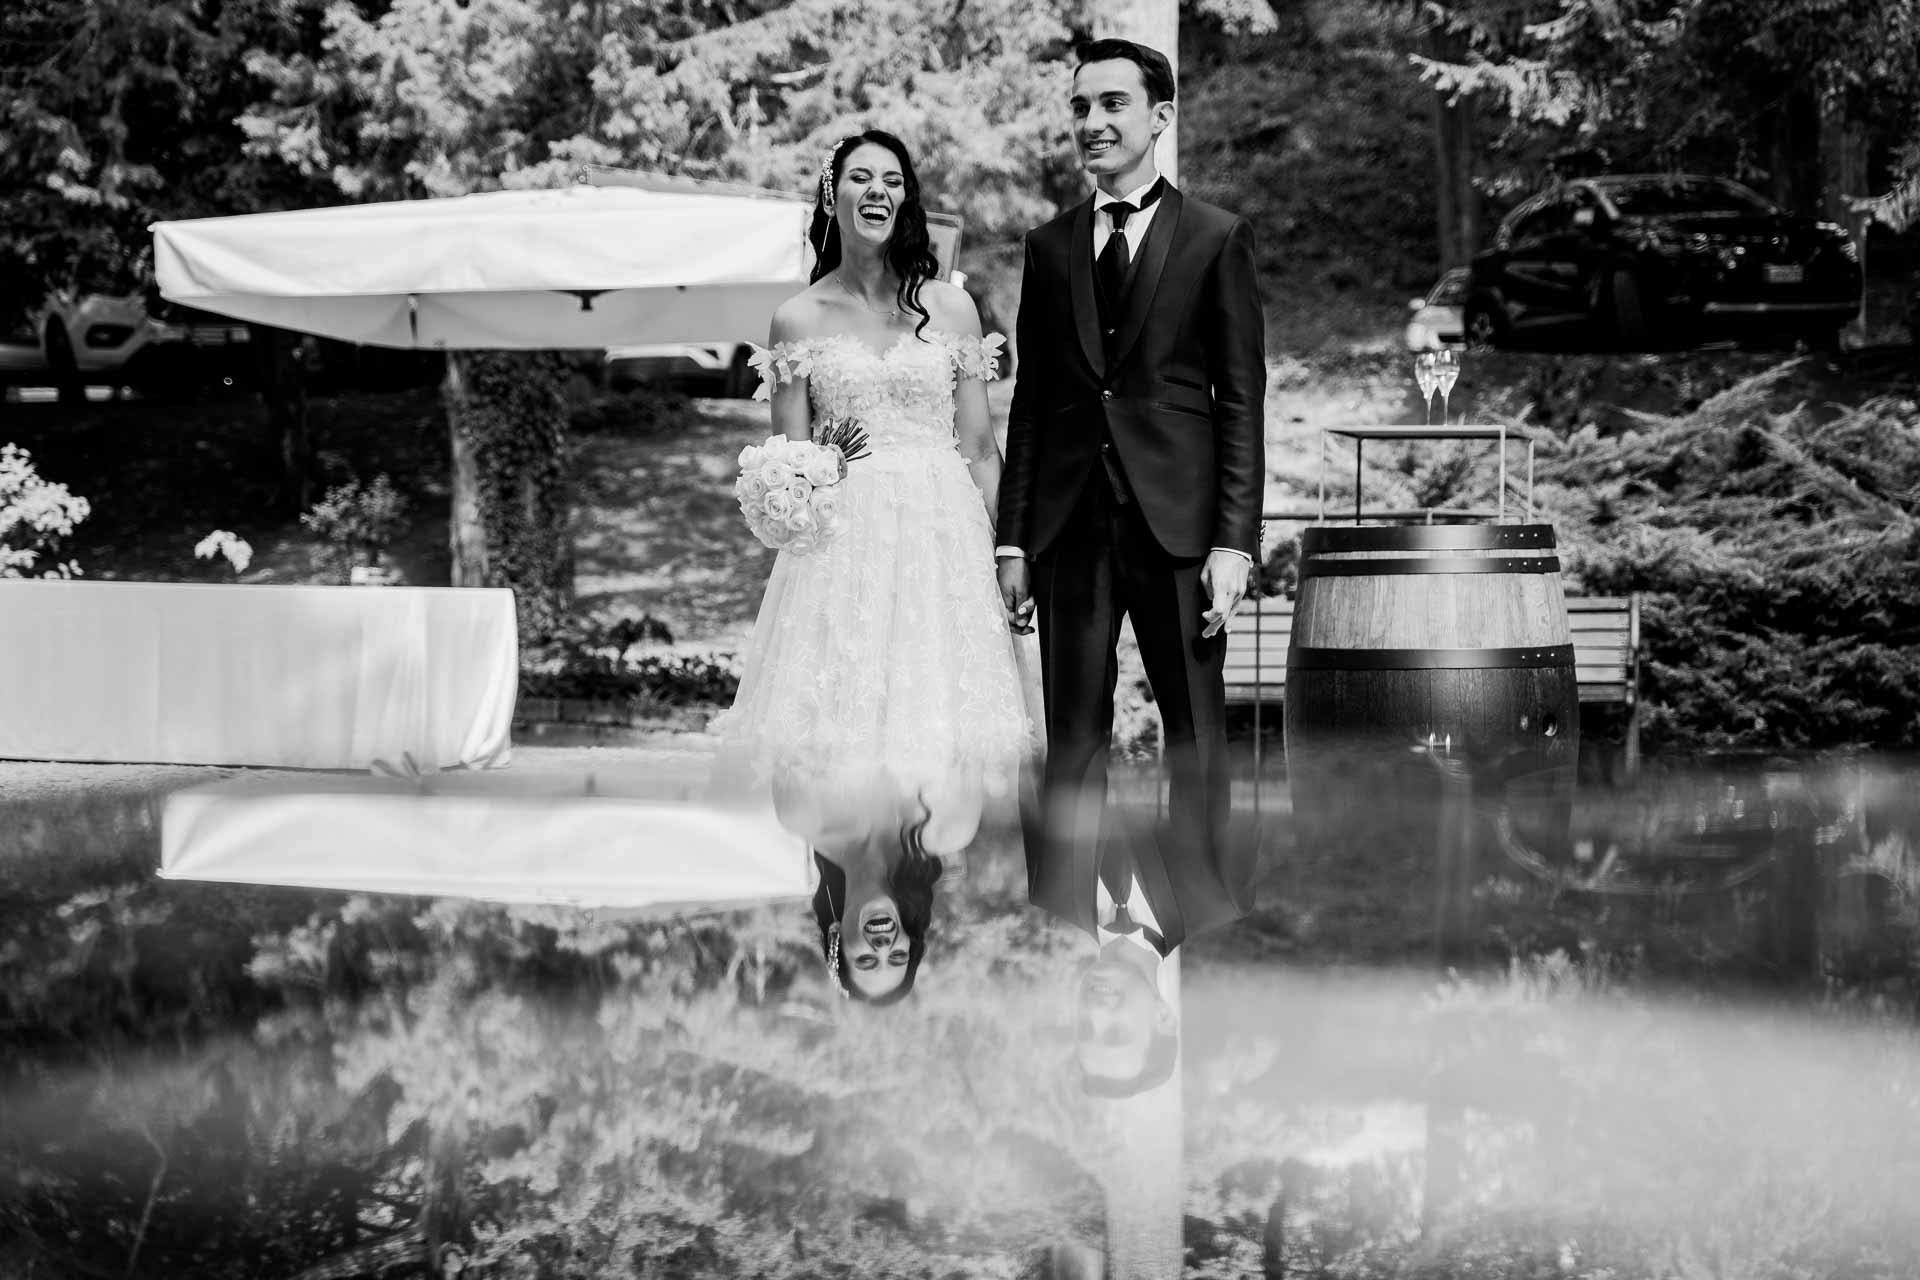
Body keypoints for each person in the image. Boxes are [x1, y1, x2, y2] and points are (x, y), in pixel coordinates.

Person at [709, 128, 1042, 1001]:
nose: (877, 191)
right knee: (856, 714)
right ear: (834, 195)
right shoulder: (797, 319)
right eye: (860, 177)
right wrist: (797, 486)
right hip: (843, 553)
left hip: (942, 544)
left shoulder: (952, 310)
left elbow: (981, 448)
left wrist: (1013, 549)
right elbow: (787, 462)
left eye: (892, 179)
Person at [996, 39, 1265, 947]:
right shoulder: (1048, 248)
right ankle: (1063, 914)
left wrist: (1233, 542)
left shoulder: (1217, 238)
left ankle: (1202, 913)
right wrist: (1013, 540)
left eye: (1113, 103)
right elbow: (1032, 402)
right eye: (1080, 106)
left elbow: (1242, 402)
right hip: (1069, 525)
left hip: (1182, 528)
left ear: (1160, 116)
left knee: (1194, 731)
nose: (1093, 122)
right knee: (1072, 731)